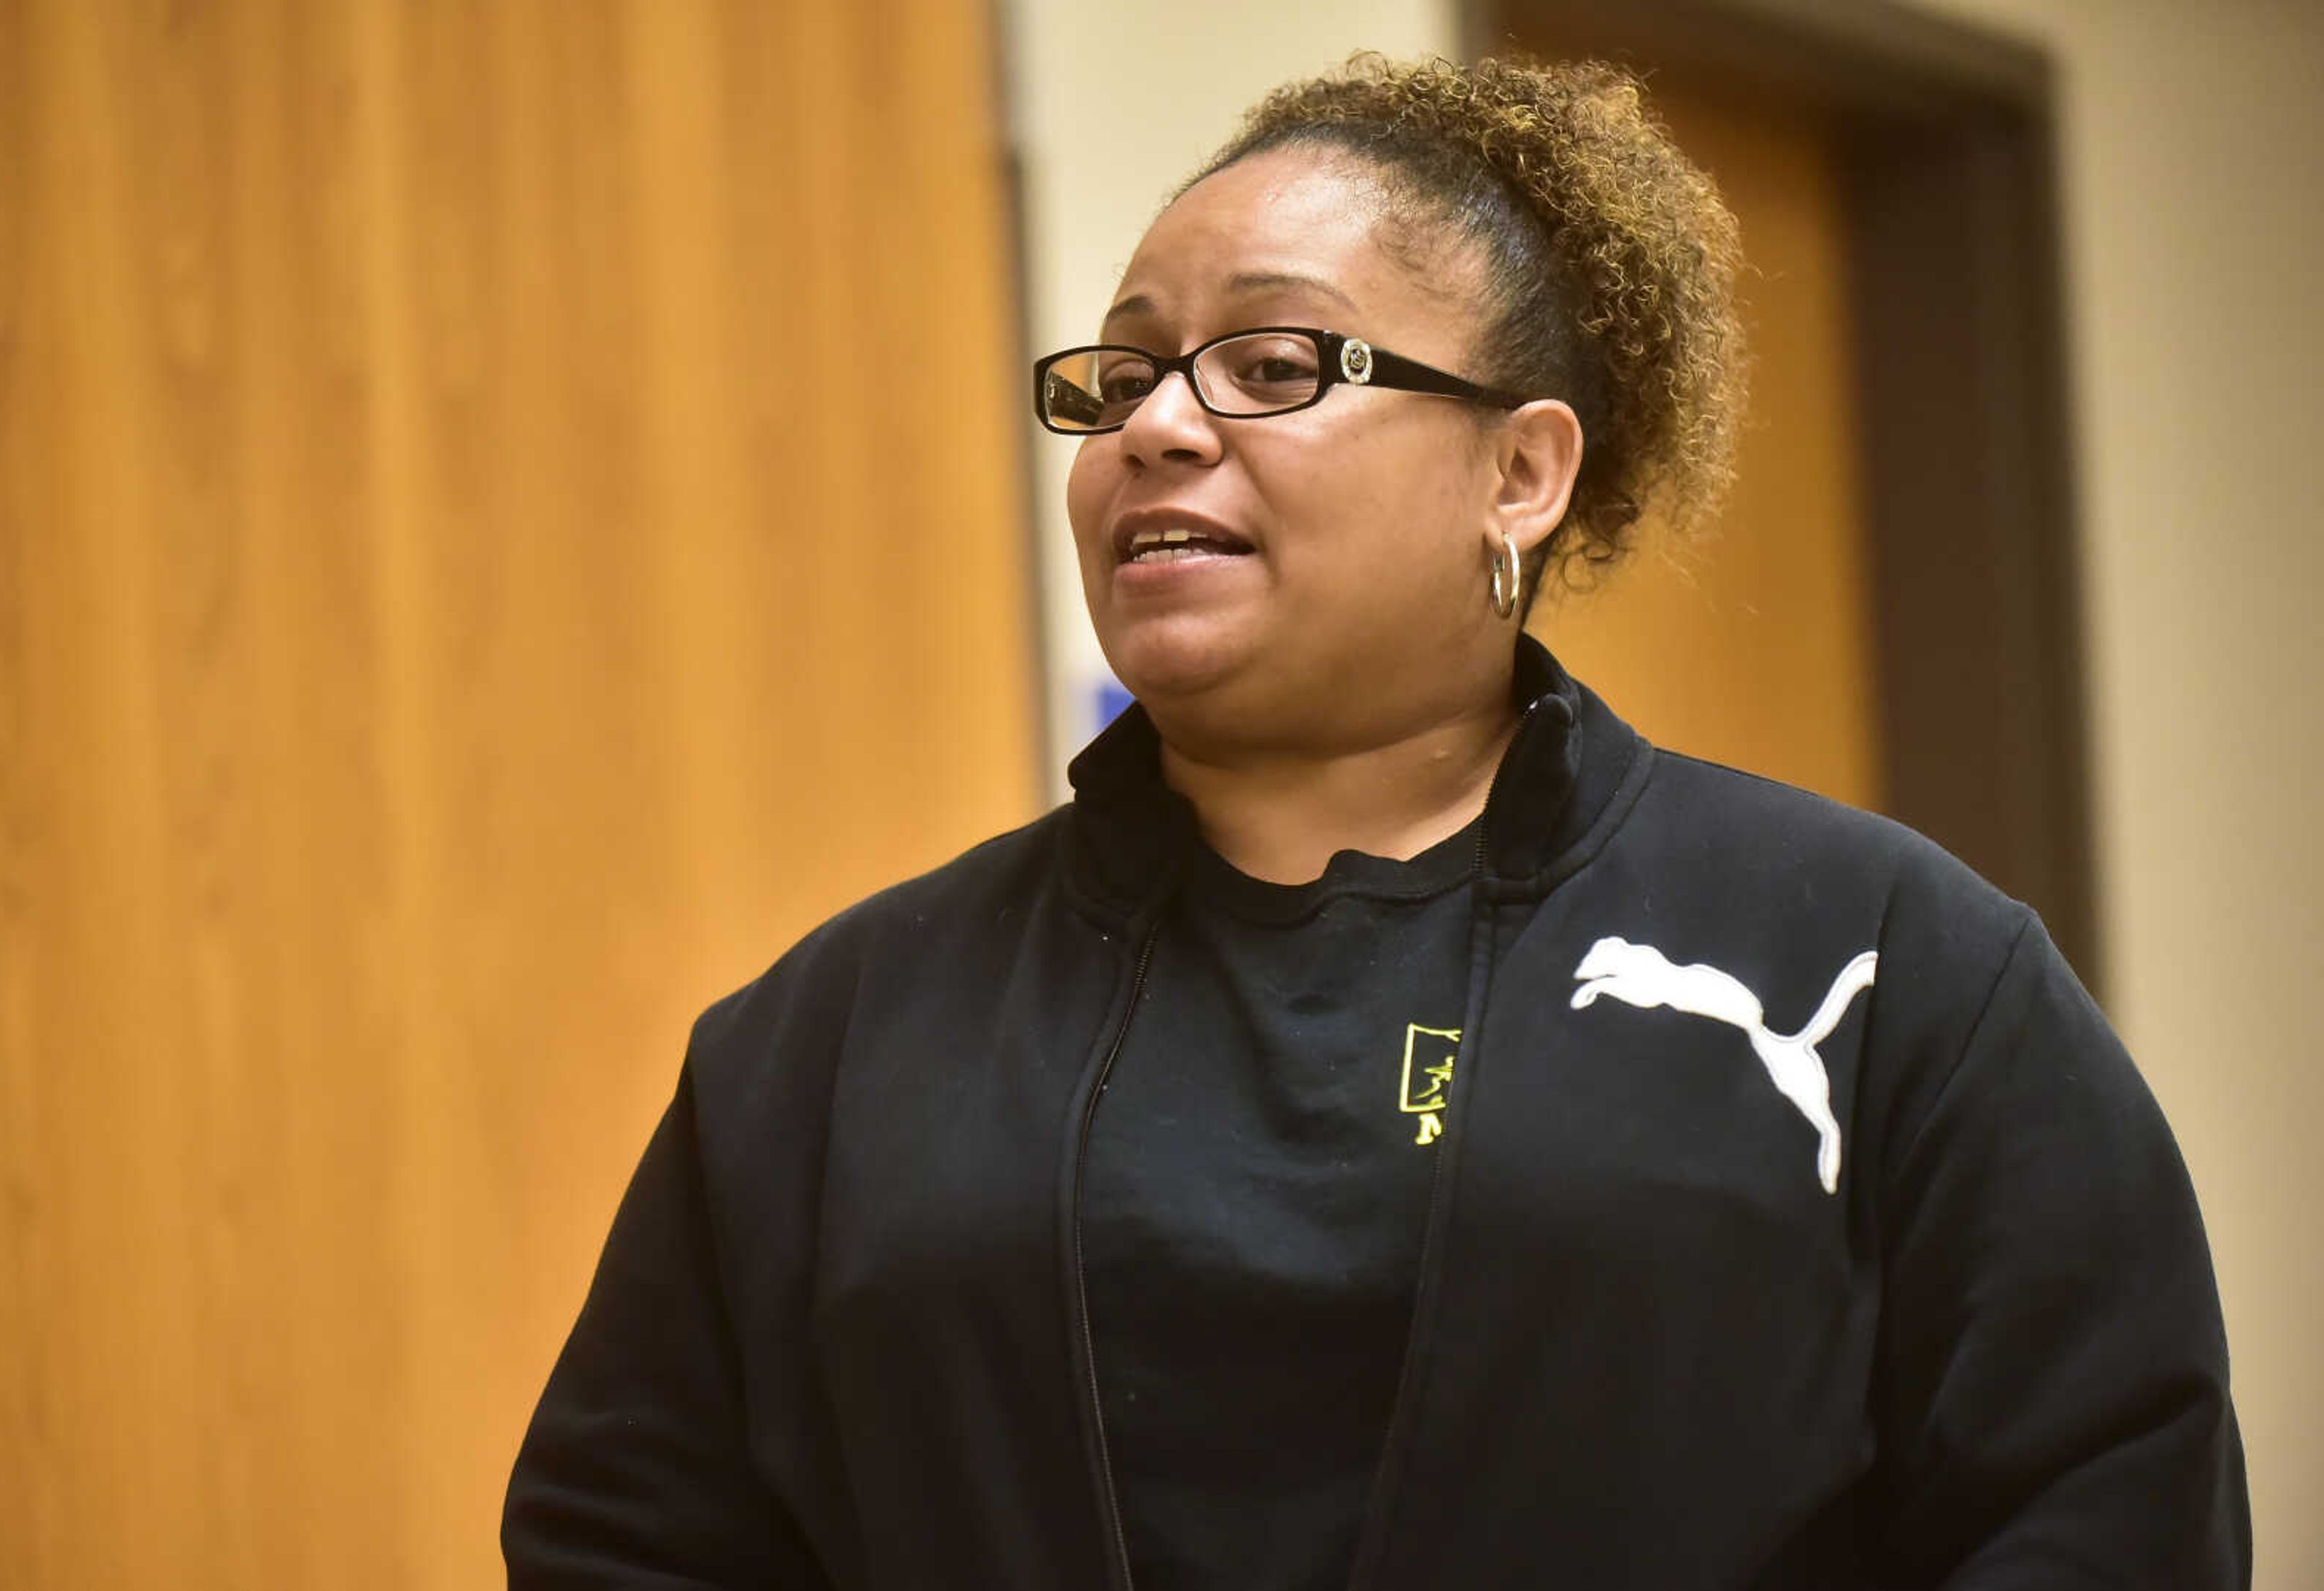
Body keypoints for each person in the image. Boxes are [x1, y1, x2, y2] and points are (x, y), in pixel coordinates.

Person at [502, 54, 2248, 1590]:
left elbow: (2103, 1509)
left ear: (1520, 471)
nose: (1157, 428)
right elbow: (630, 1537)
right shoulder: (832, 1038)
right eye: (1120, 377)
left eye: (1269, 361)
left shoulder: (1883, 970)